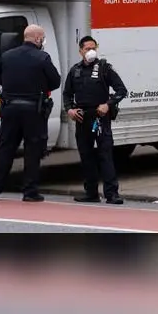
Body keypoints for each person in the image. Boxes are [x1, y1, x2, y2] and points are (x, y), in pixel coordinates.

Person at [0, 24, 62, 202]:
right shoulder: (42, 57)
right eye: (42, 37)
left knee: (5, 148)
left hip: (9, 108)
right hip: (32, 110)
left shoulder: (7, 56)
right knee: (32, 150)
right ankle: (30, 191)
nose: (43, 41)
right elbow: (55, 81)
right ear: (37, 38)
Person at [62, 35, 128, 204]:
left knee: (105, 154)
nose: (91, 51)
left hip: (100, 117)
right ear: (80, 51)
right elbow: (67, 94)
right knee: (86, 155)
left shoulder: (104, 68)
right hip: (82, 117)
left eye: (93, 48)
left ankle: (111, 194)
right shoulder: (75, 70)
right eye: (87, 49)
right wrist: (69, 109)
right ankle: (91, 192)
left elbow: (121, 90)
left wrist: (108, 104)